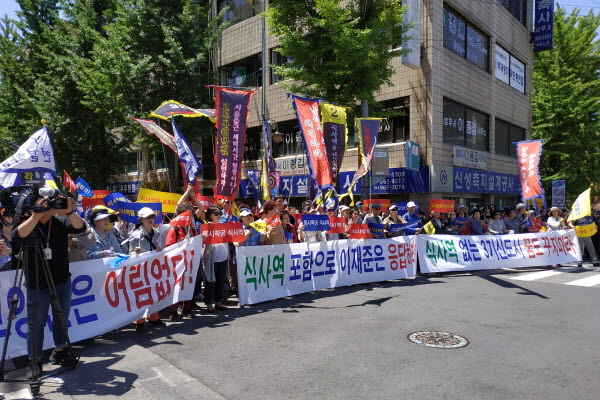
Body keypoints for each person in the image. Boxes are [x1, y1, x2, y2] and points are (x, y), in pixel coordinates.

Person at [11, 193, 85, 378]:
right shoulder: (28, 222)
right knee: (36, 324)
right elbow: (16, 236)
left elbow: (80, 227)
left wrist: (70, 211)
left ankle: (60, 350)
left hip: (62, 280)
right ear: (36, 205)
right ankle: (35, 361)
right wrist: (36, 216)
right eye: (47, 203)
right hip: (38, 284)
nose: (52, 206)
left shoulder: (60, 221)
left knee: (62, 318)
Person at [129, 207, 165, 332]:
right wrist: (135, 252)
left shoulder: (157, 233)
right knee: (141, 294)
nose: (150, 219)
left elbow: (161, 249)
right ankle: (139, 321)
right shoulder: (135, 235)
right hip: (140, 269)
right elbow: (129, 253)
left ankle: (154, 318)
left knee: (154, 291)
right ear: (141, 219)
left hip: (153, 267)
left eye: (152, 217)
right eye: (147, 217)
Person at [165, 203, 199, 320]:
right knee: (176, 288)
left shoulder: (192, 229)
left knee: (188, 286)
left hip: (190, 263)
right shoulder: (174, 229)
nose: (191, 217)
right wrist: (182, 242)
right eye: (189, 215)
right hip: (177, 264)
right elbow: (169, 247)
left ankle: (186, 309)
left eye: (192, 215)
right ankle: (173, 311)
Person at [202, 206, 230, 312]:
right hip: (212, 258)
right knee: (210, 281)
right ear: (210, 215)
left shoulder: (223, 226)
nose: (219, 216)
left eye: (220, 213)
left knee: (221, 281)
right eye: (216, 214)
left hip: (223, 257)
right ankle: (209, 304)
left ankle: (219, 302)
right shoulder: (206, 227)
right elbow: (203, 242)